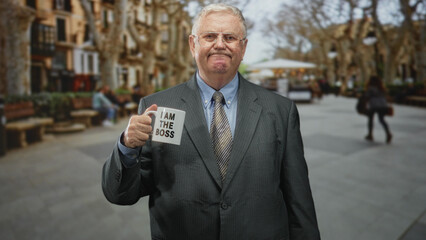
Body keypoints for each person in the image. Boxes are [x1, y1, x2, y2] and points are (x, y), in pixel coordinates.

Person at [102, 3, 320, 239]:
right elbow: (121, 194)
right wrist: (127, 147)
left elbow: (299, 201)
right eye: (209, 36)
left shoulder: (280, 110)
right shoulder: (156, 108)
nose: (219, 44)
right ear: (193, 44)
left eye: (229, 37)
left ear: (243, 47)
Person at [364, 76, 392, 143]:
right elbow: (386, 96)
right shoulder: (381, 88)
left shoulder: (371, 88)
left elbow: (366, 96)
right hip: (382, 105)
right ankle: (388, 133)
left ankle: (370, 134)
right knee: (381, 120)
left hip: (374, 105)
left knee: (370, 119)